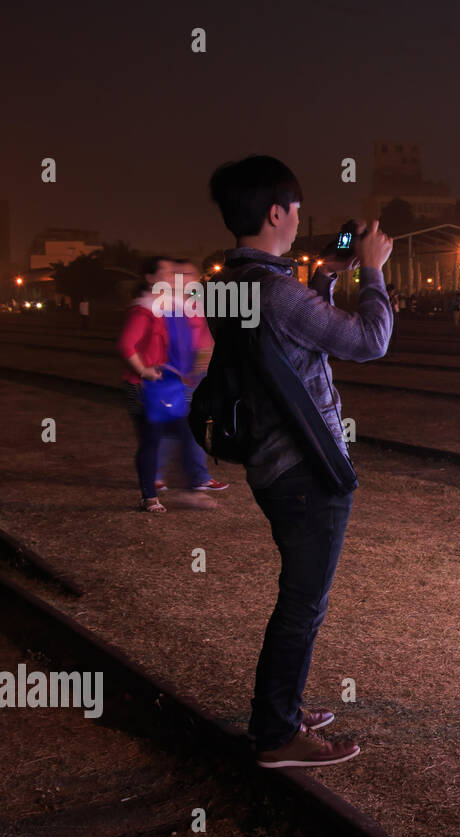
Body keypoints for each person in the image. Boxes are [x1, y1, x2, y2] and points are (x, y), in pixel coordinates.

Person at [208, 155, 393, 768]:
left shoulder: (230, 284)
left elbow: (280, 347)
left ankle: (281, 710)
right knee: (302, 603)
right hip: (308, 470)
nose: (298, 219)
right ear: (276, 212)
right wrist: (372, 272)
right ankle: (277, 734)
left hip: (267, 463)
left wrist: (325, 278)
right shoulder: (277, 292)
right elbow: (369, 341)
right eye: (295, 209)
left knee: (299, 598)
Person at [117, 256, 229, 513]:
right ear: (150, 278)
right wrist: (144, 371)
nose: (172, 277)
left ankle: (192, 489)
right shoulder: (145, 308)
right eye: (167, 272)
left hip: (169, 385)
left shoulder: (170, 306)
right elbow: (126, 344)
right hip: (143, 386)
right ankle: (149, 495)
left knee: (184, 433)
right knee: (151, 440)